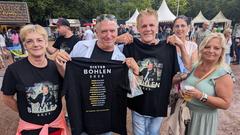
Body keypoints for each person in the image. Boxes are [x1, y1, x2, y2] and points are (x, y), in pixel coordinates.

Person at [55, 14, 139, 135]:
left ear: (117, 31)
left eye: (112, 30)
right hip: (82, 115)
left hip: (105, 120)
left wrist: (136, 71)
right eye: (104, 31)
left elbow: (133, 90)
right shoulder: (80, 47)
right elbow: (69, 78)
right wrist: (59, 64)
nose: (109, 35)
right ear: (96, 32)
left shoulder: (121, 59)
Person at [117, 9, 179, 135]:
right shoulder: (130, 45)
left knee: (154, 132)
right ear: (138, 28)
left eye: (151, 25)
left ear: (157, 27)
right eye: (144, 26)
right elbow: (106, 51)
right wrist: (116, 39)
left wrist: (181, 46)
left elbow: (176, 75)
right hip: (138, 105)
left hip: (159, 104)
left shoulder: (169, 48)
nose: (148, 29)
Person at [1, 24, 68, 135]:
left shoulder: (56, 67)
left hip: (56, 126)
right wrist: (25, 111)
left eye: (39, 40)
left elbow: (67, 90)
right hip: (29, 129)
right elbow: (7, 98)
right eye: (29, 41)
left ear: (46, 43)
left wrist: (63, 67)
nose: (36, 44)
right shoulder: (14, 70)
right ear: (25, 45)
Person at [182, 33, 233, 135]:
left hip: (203, 120)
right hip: (186, 115)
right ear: (202, 48)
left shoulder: (223, 73)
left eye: (216, 48)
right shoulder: (196, 65)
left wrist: (201, 96)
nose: (211, 51)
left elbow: (225, 104)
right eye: (207, 47)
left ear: (222, 51)